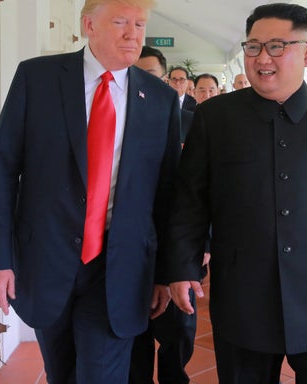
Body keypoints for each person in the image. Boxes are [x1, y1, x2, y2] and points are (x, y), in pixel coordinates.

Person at [0, 0, 181, 384]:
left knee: (101, 374)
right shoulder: (37, 78)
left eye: (140, 24)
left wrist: (165, 270)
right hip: (46, 260)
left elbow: (167, 191)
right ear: (89, 24)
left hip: (118, 266)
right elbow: (3, 168)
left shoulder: (158, 99)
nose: (132, 34)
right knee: (62, 372)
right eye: (121, 21)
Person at [165, 3, 307, 384]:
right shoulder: (214, 118)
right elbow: (190, 200)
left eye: (278, 46)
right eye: (253, 47)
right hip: (244, 296)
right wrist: (182, 266)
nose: (263, 58)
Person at [128, 46, 200, 384]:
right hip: (131, 249)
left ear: (166, 80)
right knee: (132, 335)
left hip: (177, 247)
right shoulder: (112, 119)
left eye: (150, 76)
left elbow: (203, 188)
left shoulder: (191, 121)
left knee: (178, 331)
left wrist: (205, 241)